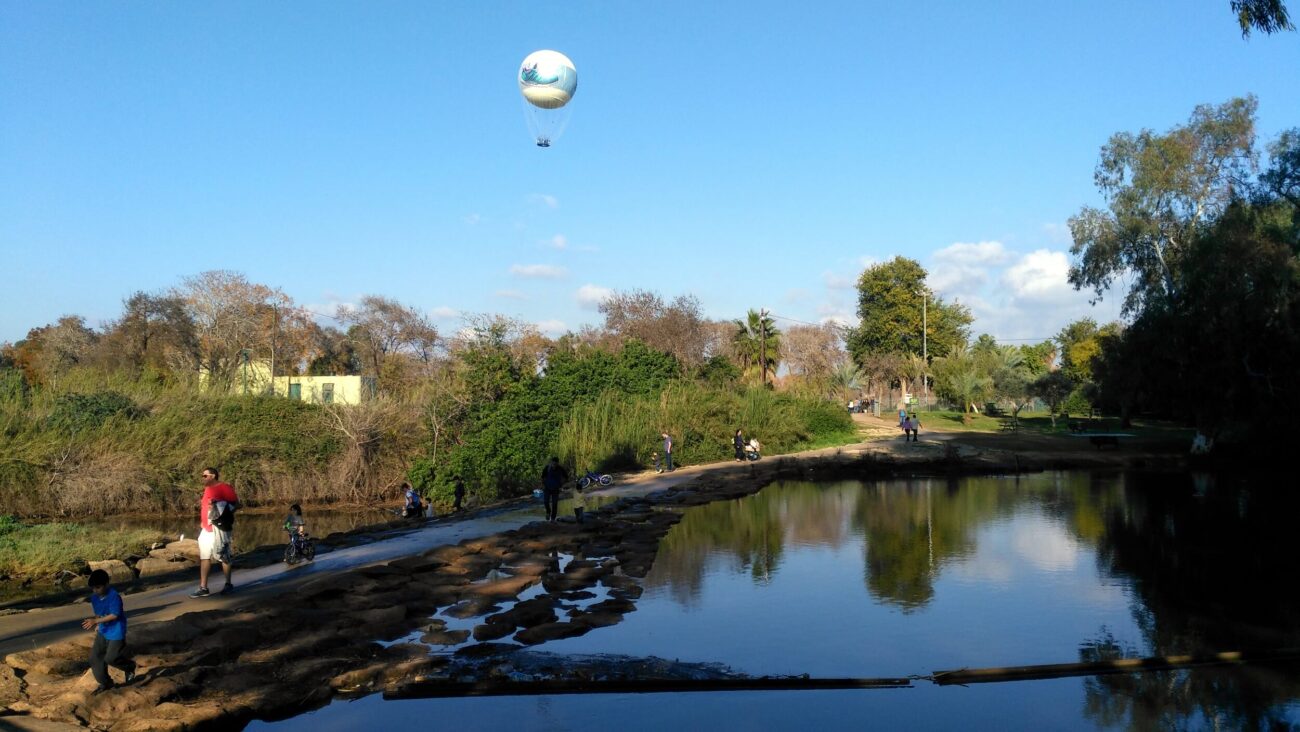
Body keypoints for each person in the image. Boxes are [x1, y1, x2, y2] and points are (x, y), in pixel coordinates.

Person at [82, 569, 136, 694]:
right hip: (103, 631)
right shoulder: (94, 598)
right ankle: (106, 683)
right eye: (93, 588)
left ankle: (129, 667)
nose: (95, 591)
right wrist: (97, 622)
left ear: (107, 584)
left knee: (111, 658)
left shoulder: (114, 597)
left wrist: (96, 621)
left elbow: (114, 615)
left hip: (116, 632)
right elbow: (99, 613)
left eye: (98, 587)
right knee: (95, 658)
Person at [191, 467, 237, 598]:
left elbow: (236, 504)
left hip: (220, 528)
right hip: (206, 528)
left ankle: (228, 584)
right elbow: (206, 507)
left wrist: (223, 516)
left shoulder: (224, 487)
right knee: (204, 557)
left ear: (213, 476)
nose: (203, 478)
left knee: (224, 555)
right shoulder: (207, 489)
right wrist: (202, 521)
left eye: (205, 476)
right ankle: (203, 587)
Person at [541, 457, 568, 522]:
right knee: (546, 502)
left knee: (555, 504)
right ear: (551, 462)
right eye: (553, 463)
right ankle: (548, 512)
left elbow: (566, 477)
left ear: (557, 463)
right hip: (547, 488)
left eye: (555, 464)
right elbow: (542, 477)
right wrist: (543, 484)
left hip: (556, 489)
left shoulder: (560, 469)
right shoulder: (547, 468)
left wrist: (561, 484)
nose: (554, 465)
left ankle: (553, 518)